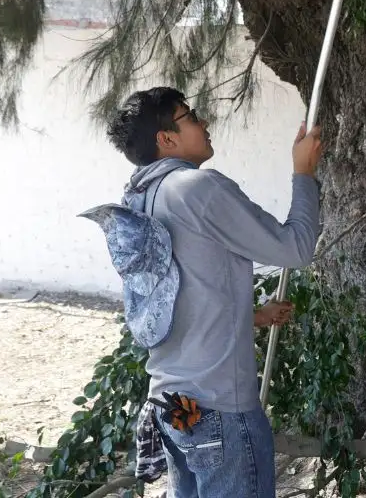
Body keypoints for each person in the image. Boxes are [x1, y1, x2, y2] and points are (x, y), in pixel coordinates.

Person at [93, 87, 323, 497]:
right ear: (166, 139)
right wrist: (303, 174)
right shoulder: (196, 188)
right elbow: (296, 249)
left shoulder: (140, 200)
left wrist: (252, 315)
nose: (204, 123)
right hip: (219, 411)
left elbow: (175, 296)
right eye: (191, 116)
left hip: (173, 406)